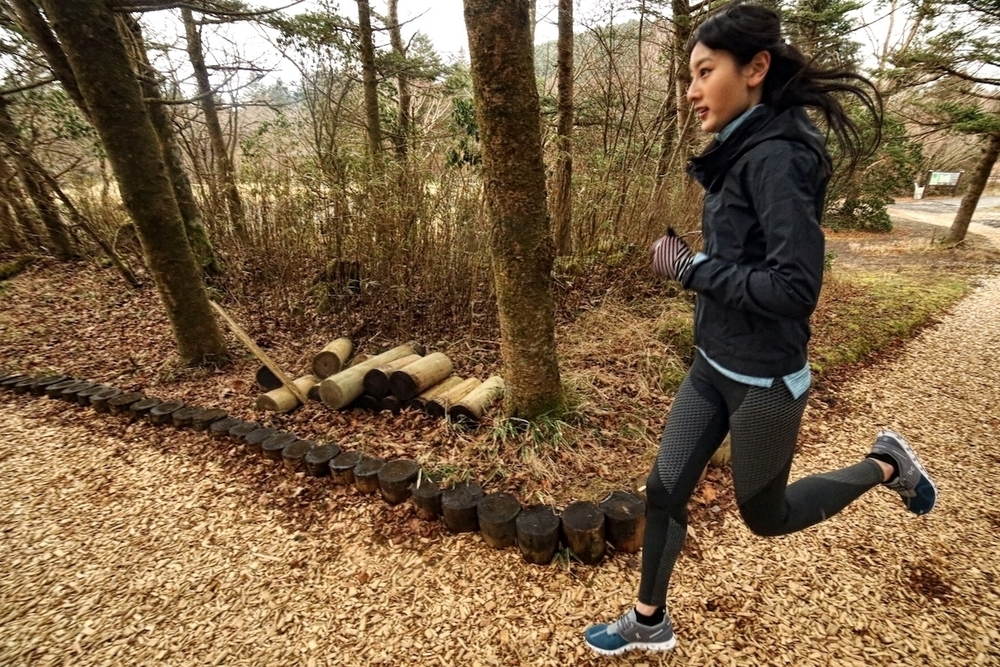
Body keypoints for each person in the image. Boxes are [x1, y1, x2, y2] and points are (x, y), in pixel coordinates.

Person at [584, 0, 937, 656]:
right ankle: (648, 618)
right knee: (663, 489)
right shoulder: (740, 145)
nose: (690, 90)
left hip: (764, 380)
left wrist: (691, 268)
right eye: (688, 75)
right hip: (713, 362)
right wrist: (702, 265)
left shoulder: (779, 155)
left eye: (703, 71)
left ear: (756, 68)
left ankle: (886, 464)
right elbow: (747, 259)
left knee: (764, 515)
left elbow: (795, 288)